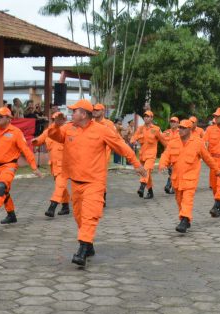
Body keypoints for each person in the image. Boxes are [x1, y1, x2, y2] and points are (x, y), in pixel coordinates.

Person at [47, 99, 146, 267]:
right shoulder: (68, 128)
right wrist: (55, 125)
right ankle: (88, 243)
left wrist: (136, 164)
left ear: (83, 114)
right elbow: (54, 136)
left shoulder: (102, 131)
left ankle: (82, 250)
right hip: (76, 182)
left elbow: (121, 146)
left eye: (74, 110)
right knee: (79, 217)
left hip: (95, 182)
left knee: (89, 215)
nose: (71, 113)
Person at [159, 119, 220, 232]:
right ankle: (185, 219)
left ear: (189, 129)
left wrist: (217, 170)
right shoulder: (173, 142)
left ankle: (184, 220)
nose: (180, 130)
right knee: (179, 200)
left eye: (183, 128)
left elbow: (208, 158)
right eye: (180, 128)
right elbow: (166, 154)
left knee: (187, 199)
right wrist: (162, 164)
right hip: (176, 179)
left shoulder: (197, 143)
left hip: (190, 179)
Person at [33, 112, 71, 217]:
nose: (57, 122)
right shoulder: (48, 131)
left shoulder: (68, 131)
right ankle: (65, 206)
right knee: (61, 186)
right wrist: (35, 143)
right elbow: (39, 139)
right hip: (53, 165)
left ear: (64, 120)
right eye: (54, 119)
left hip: (64, 165)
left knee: (59, 185)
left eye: (60, 119)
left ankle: (52, 207)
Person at [130, 110, 165, 199]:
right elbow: (134, 137)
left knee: (146, 170)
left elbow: (164, 142)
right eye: (145, 116)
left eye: (148, 116)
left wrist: (168, 152)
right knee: (147, 173)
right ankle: (150, 192)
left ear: (152, 118)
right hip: (142, 155)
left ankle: (142, 187)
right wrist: (133, 141)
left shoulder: (156, 129)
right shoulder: (140, 128)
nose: (146, 118)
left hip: (151, 155)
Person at [161, 116, 181, 194]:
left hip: (177, 156)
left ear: (178, 123)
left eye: (174, 122)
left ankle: (169, 185)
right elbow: (158, 137)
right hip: (168, 156)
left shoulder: (181, 132)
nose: (172, 123)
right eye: (171, 122)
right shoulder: (166, 132)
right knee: (172, 172)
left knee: (174, 171)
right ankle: (172, 186)